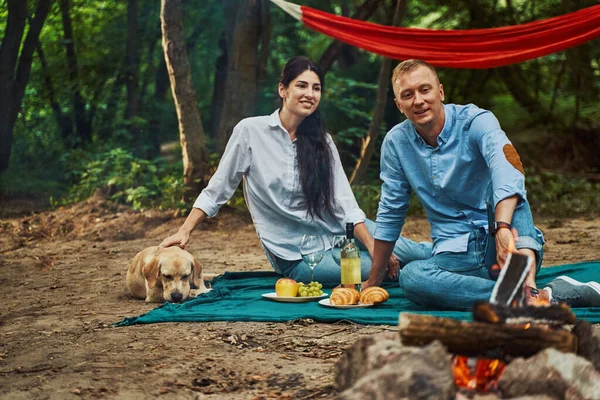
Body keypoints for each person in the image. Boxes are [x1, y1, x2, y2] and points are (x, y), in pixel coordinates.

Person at [158, 56, 431, 285]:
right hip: (298, 257)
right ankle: (439, 275)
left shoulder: (322, 141)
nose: (310, 94)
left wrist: (372, 244)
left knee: (414, 252)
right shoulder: (250, 132)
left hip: (342, 232)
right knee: (379, 269)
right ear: (283, 89)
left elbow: (345, 204)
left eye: (316, 88)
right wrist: (185, 230)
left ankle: (466, 257)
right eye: (302, 85)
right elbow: (218, 189)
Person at [363, 59, 600, 309]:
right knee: (411, 277)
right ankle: (533, 298)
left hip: (507, 245)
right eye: (408, 95)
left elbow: (506, 166)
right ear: (399, 105)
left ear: (440, 91)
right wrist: (373, 280)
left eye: (425, 90)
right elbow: (391, 211)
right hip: (454, 258)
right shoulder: (396, 143)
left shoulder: (475, 121)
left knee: (506, 185)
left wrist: (502, 228)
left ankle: (525, 284)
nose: (418, 100)